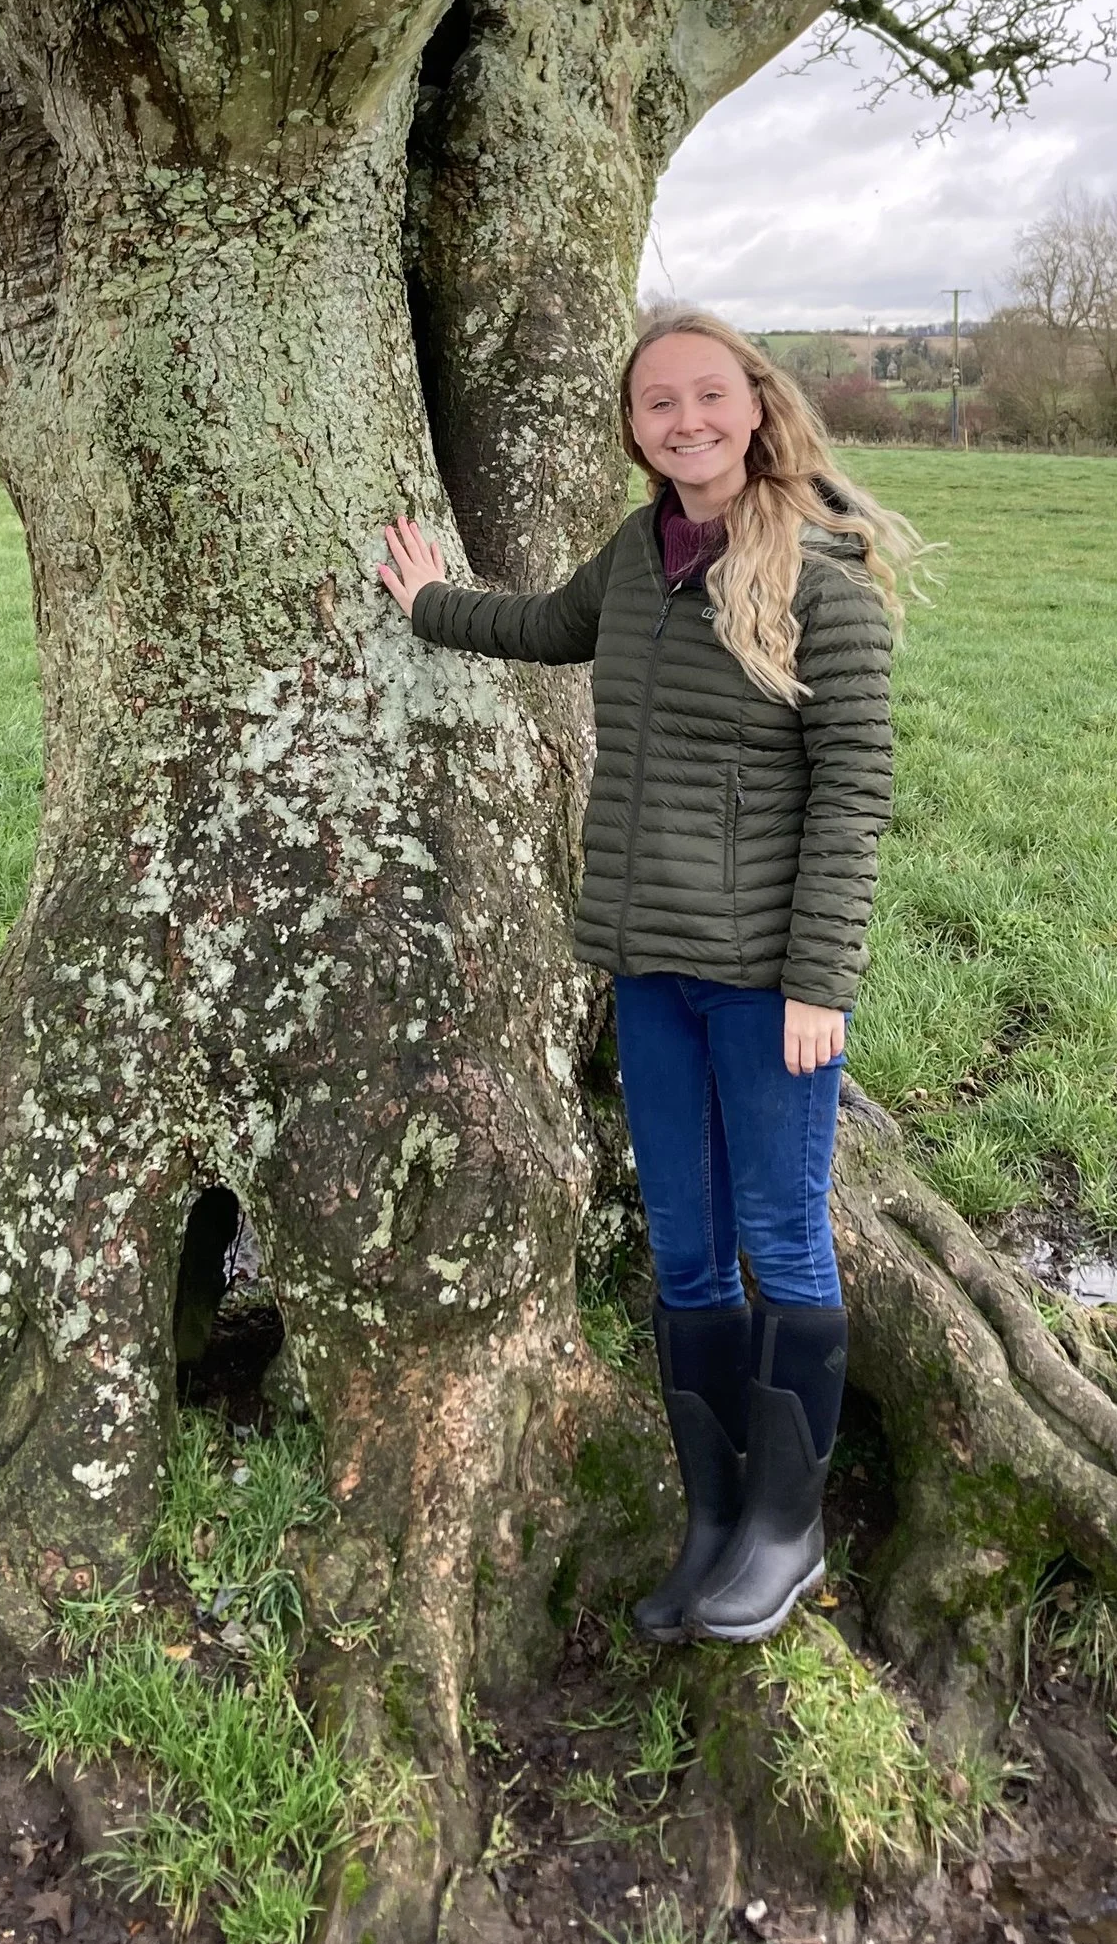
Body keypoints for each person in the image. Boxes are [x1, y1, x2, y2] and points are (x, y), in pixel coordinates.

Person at [377, 309, 911, 1645]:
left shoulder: (822, 576)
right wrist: (428, 600)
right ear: (633, 428)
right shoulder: (639, 553)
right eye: (657, 405)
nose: (685, 422)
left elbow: (854, 790)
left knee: (779, 1239)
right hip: (649, 969)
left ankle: (788, 1532)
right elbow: (549, 626)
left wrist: (820, 982)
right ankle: (716, 1517)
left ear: (755, 404)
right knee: (685, 1253)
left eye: (707, 397)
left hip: (768, 984)